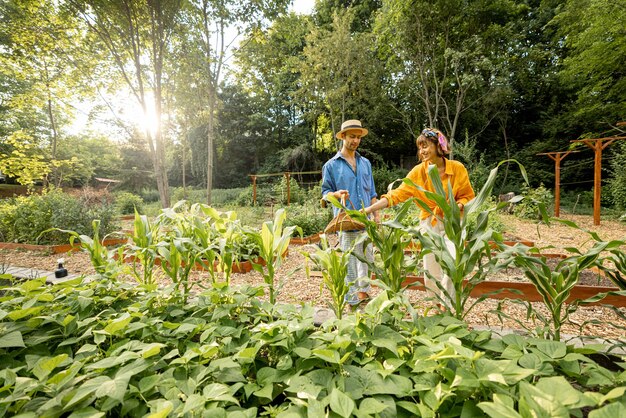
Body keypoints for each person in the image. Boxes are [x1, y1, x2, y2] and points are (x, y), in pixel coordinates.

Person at [363, 127, 475, 309]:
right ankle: (435, 306)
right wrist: (369, 209)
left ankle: (449, 306)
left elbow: (468, 196)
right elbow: (396, 195)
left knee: (454, 262)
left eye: (426, 146)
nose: (422, 151)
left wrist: (455, 206)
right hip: (429, 221)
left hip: (453, 221)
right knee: (431, 267)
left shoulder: (457, 168)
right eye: (420, 147)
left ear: (439, 146)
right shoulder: (418, 172)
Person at [321, 119, 379, 308]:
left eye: (358, 137)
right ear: (343, 137)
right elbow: (324, 194)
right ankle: (351, 301)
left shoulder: (366, 163)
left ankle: (363, 294)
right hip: (346, 221)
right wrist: (335, 195)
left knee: (367, 259)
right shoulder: (331, 165)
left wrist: (377, 215)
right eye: (351, 137)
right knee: (350, 262)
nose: (355, 141)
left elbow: (372, 192)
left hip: (366, 220)